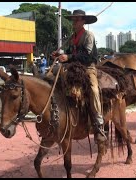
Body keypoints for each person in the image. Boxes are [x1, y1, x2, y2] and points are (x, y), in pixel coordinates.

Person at [51, 9, 106, 142]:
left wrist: (68, 56)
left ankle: (99, 124)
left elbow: (86, 56)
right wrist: (59, 56)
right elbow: (70, 54)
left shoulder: (88, 35)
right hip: (72, 68)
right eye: (73, 20)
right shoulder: (72, 37)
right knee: (53, 80)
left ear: (83, 21)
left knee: (93, 90)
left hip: (88, 67)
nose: (73, 22)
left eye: (76, 19)